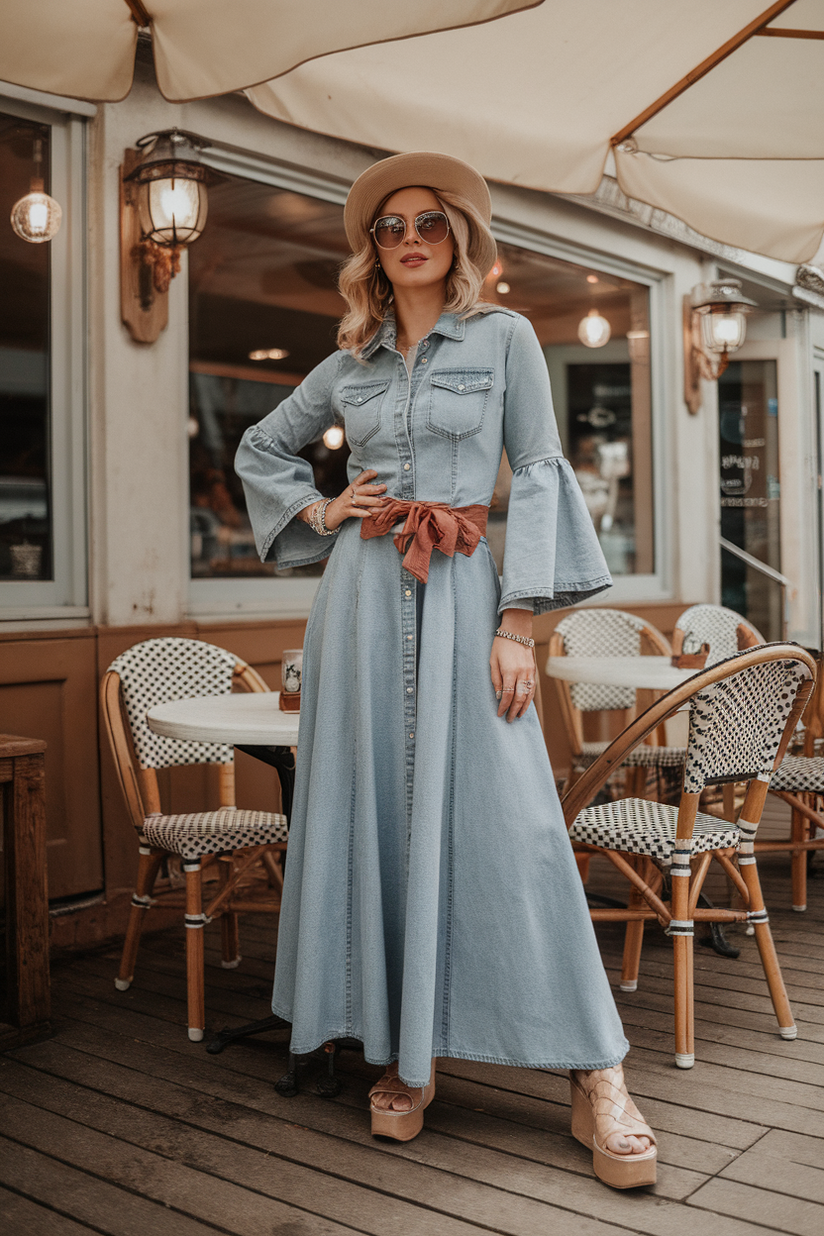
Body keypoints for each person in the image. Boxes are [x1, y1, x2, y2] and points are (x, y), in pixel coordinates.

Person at [235, 151, 657, 1189]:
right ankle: (403, 1055)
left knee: (512, 820)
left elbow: (544, 471)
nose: (409, 235)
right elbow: (261, 448)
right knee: (373, 812)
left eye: (428, 220)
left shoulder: (505, 338)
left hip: (469, 597)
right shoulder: (348, 365)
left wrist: (519, 622)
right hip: (362, 603)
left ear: (458, 237)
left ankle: (596, 1072)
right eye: (389, 225)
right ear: (371, 251)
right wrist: (321, 509)